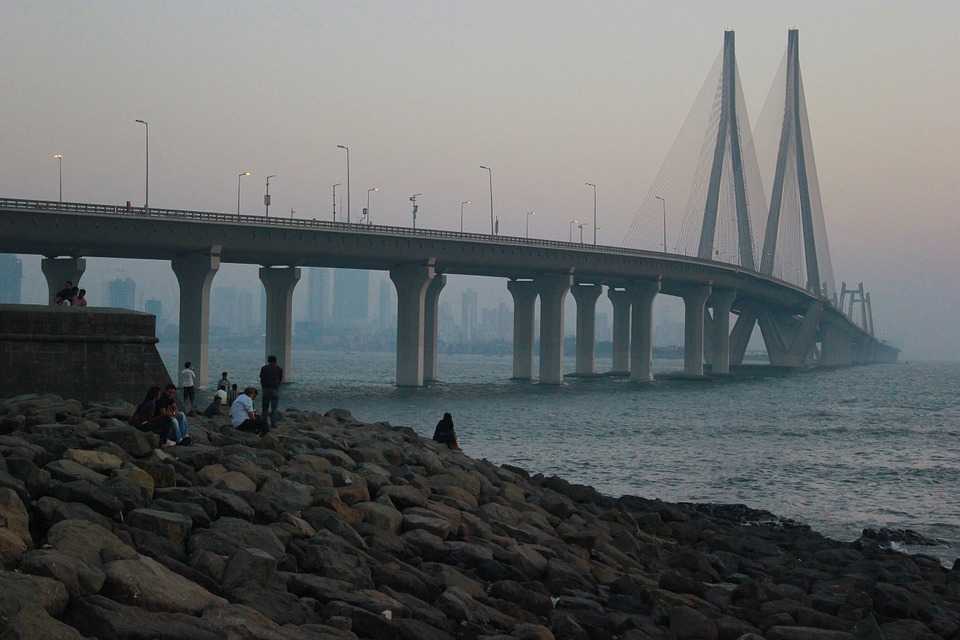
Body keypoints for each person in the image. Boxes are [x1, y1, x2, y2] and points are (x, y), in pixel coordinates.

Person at [259, 355, 283, 430]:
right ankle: (273, 424)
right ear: (275, 361)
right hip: (274, 390)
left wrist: (263, 386)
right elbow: (280, 379)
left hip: (266, 389)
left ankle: (264, 423)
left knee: (265, 408)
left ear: (268, 361)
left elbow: (261, 378)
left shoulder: (264, 368)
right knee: (274, 408)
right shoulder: (279, 369)